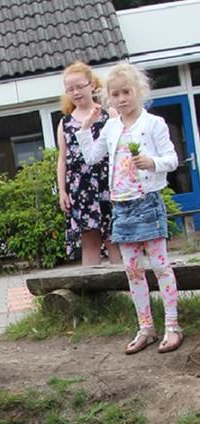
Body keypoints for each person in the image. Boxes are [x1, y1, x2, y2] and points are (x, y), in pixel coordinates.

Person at [77, 63, 181, 355]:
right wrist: (86, 129)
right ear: (109, 98)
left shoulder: (153, 124)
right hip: (120, 206)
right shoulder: (111, 127)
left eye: (127, 92)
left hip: (147, 202)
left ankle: (172, 325)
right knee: (133, 270)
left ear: (139, 92)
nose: (122, 99)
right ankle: (145, 326)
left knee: (160, 267)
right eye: (115, 94)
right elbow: (92, 157)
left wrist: (152, 163)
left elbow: (172, 159)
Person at [57, 61, 122, 266]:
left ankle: (127, 289)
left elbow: (121, 149)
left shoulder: (109, 115)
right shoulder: (65, 123)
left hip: (108, 183)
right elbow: (62, 159)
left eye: (80, 86)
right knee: (90, 241)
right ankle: (91, 295)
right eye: (70, 89)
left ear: (91, 85)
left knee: (114, 238)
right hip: (80, 188)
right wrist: (62, 191)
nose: (76, 92)